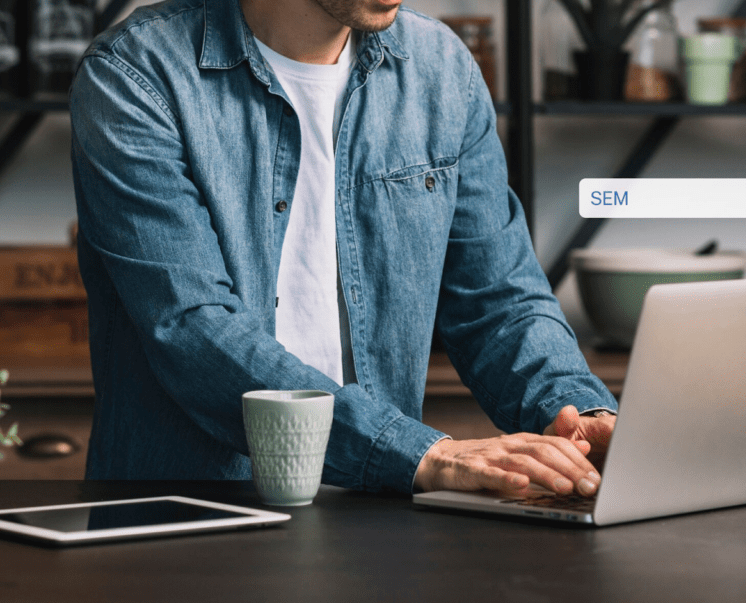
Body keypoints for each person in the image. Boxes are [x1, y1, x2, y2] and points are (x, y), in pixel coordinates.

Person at [69, 0, 617, 496]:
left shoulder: (442, 70)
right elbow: (191, 328)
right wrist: (420, 453)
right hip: (190, 519)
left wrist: (575, 413)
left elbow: (499, 298)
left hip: (379, 517)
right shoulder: (134, 75)